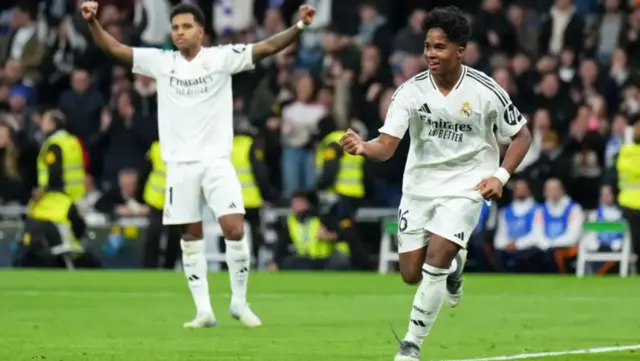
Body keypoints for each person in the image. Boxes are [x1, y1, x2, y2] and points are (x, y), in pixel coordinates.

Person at [80, 1, 317, 328]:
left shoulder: (220, 58)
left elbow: (267, 47)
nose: (179, 32)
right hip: (179, 166)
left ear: (201, 31)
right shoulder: (161, 62)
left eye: (186, 27)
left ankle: (239, 301)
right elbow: (115, 48)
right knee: (190, 237)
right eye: (175, 27)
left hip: (217, 162)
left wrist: (300, 26)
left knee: (234, 228)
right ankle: (203, 310)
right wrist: (93, 22)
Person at [340, 6, 532, 360]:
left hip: (467, 186)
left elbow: (521, 135)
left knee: (439, 254)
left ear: (460, 51)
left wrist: (500, 175)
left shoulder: (485, 90)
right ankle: (455, 268)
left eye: (440, 47)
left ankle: (411, 344)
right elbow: (387, 146)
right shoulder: (410, 93)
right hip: (419, 189)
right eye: (427, 46)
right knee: (411, 274)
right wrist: (363, 148)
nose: (430, 54)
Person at [13, 191, 101, 269]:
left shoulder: (35, 204)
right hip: (56, 247)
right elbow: (79, 229)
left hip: (39, 249)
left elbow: (28, 225)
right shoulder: (65, 201)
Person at [35, 109, 86, 202]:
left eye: (45, 120)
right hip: (77, 195)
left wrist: (46, 191)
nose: (41, 124)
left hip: (58, 197)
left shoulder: (54, 144)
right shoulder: (72, 141)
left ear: (53, 124)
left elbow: (54, 172)